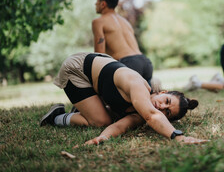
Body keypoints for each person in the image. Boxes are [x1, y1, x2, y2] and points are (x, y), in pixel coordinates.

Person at [40, 52, 207, 144]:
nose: (162, 107)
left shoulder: (139, 114)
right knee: (100, 121)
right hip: (78, 69)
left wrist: (102, 138)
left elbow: (119, 127)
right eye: (167, 101)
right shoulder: (136, 85)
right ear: (163, 92)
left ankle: (84, 107)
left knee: (108, 121)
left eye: (167, 113)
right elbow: (152, 115)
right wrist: (178, 136)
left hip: (99, 78)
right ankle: (56, 117)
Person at [92, 0, 153, 85]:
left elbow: (100, 55)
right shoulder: (125, 22)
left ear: (103, 4)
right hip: (144, 62)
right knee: (147, 98)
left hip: (128, 64)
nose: (95, 4)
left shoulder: (98, 22)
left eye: (97, 1)